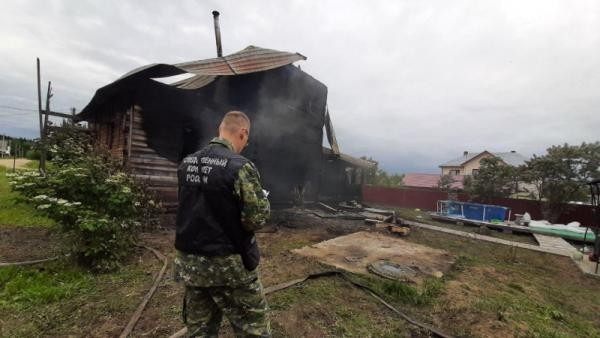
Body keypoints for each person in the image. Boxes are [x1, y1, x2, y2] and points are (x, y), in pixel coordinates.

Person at [173, 111, 271, 337]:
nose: (245, 145)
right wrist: (263, 201)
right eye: (246, 139)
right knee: (253, 328)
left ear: (221, 128)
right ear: (243, 133)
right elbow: (255, 219)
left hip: (191, 266)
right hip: (229, 267)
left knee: (200, 331)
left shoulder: (186, 164)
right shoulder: (240, 166)